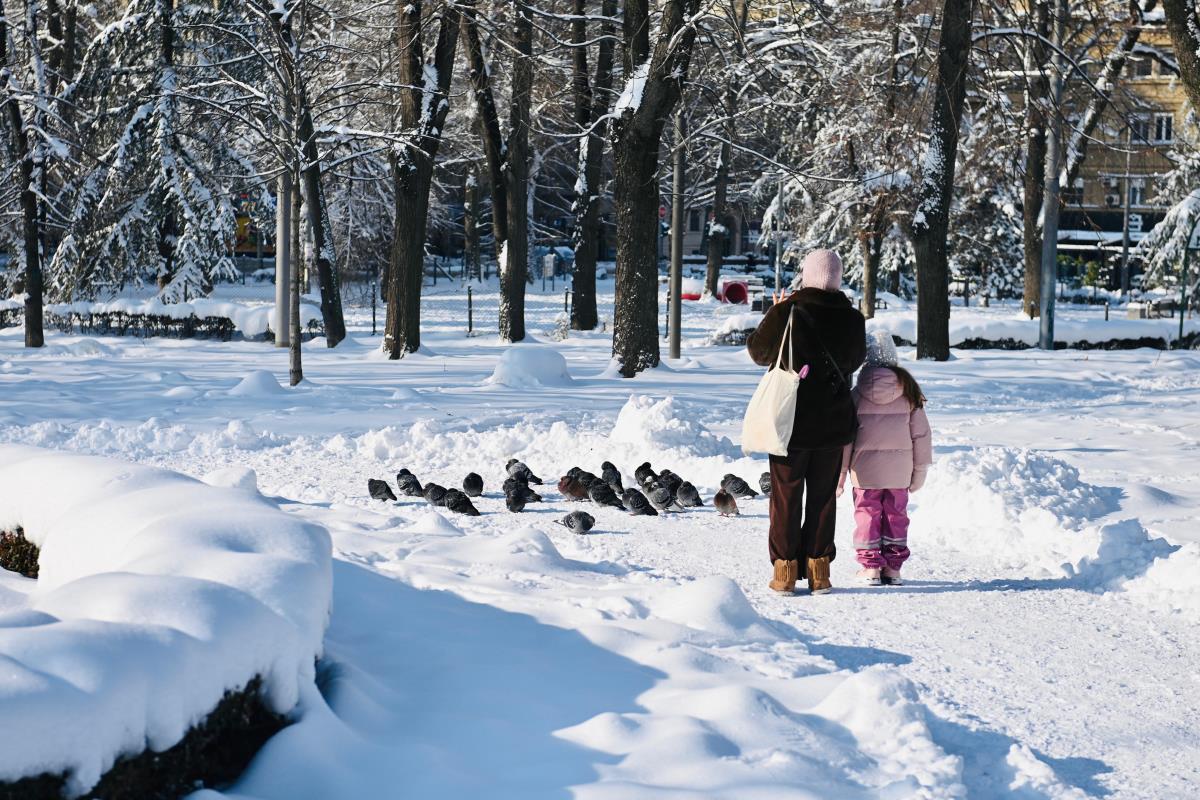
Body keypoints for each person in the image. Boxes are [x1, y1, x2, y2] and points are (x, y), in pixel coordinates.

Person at [747, 249, 865, 595]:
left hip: (790, 423)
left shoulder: (789, 311)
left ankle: (784, 571)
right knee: (823, 498)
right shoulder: (853, 319)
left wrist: (775, 310)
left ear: (806, 275)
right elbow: (854, 361)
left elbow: (758, 352)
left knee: (785, 497)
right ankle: (819, 571)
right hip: (833, 423)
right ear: (838, 278)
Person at [838, 331, 932, 586]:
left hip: (865, 472)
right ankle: (893, 568)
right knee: (896, 515)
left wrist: (841, 473)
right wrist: (920, 469)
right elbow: (921, 435)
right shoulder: (909, 391)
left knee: (867, 514)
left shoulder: (855, 394)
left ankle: (870, 568)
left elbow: (846, 437)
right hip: (899, 472)